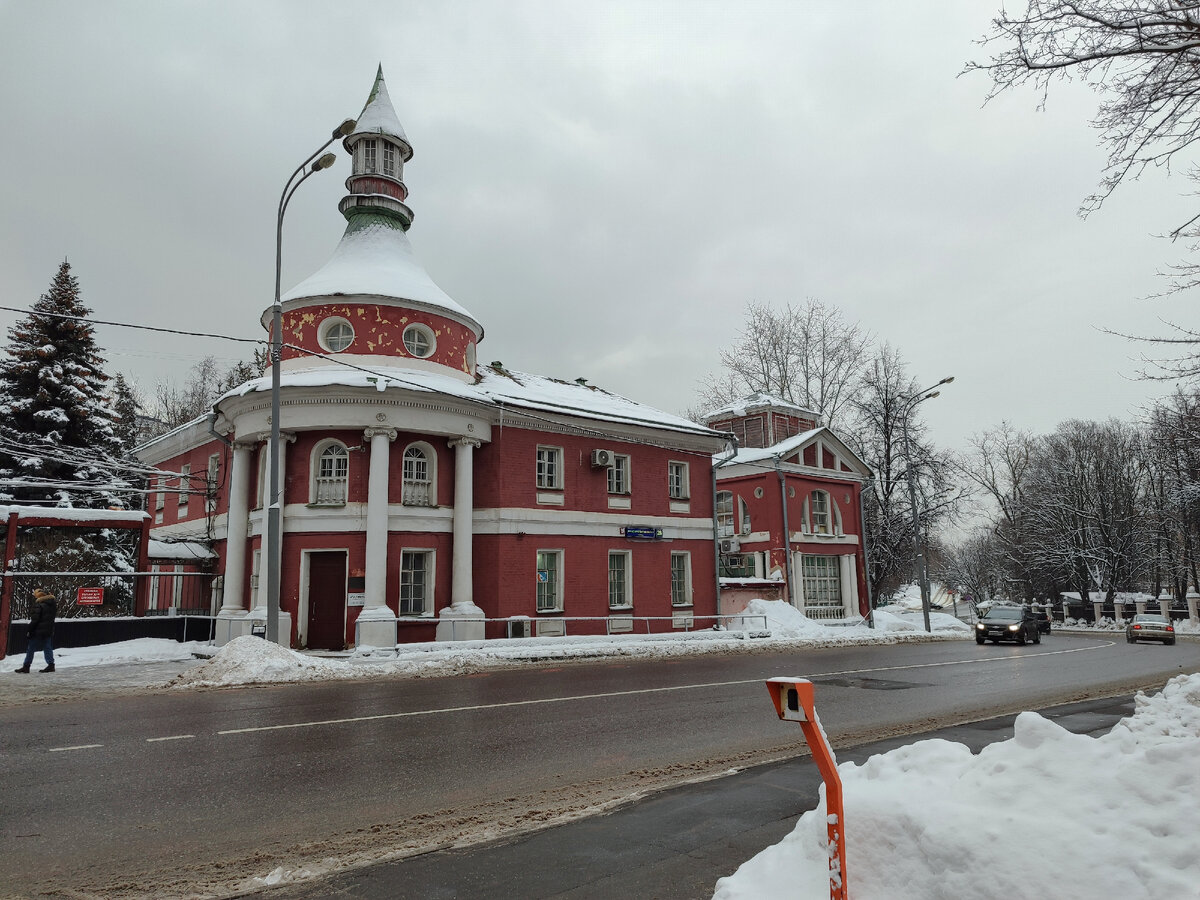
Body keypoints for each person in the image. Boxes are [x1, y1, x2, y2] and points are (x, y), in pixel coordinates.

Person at [14, 587, 56, 673]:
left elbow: (35, 620)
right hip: (48, 630)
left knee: (31, 648)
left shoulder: (39, 605)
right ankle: (51, 665)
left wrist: (30, 630)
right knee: (47, 647)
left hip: (38, 631)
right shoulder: (52, 605)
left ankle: (26, 666)